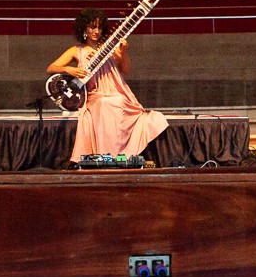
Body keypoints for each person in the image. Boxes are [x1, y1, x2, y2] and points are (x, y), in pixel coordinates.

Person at [47, 8, 168, 165]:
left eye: (99, 27)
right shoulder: (76, 51)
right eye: (92, 27)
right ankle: (110, 157)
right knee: (106, 103)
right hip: (94, 95)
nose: (96, 31)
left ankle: (121, 156)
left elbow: (125, 70)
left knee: (117, 100)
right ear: (84, 28)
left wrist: (123, 52)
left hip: (114, 92)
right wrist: (68, 69)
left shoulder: (109, 47)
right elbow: (51, 68)